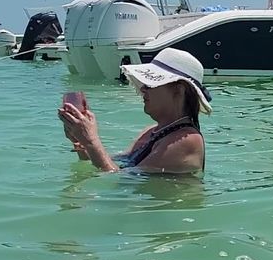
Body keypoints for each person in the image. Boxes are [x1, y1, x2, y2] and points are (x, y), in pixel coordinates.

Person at [58, 48, 211, 174]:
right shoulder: (151, 132)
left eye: (150, 84)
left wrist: (91, 140)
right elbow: (110, 165)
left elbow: (119, 182)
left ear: (178, 90)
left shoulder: (188, 141)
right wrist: (81, 141)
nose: (143, 89)